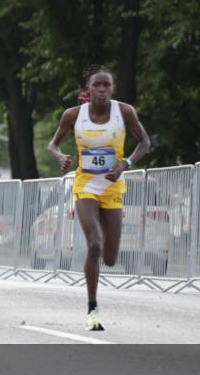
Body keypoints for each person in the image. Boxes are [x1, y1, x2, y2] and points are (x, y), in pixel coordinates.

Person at [48, 64, 151, 331]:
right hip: (85, 185)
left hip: (113, 187)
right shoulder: (73, 115)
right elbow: (53, 144)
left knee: (111, 258)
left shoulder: (124, 111)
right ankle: (92, 308)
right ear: (88, 89)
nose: (103, 90)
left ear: (112, 88)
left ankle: (103, 262)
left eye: (107, 85)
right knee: (93, 243)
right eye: (97, 85)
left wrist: (124, 164)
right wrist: (61, 157)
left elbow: (145, 142)